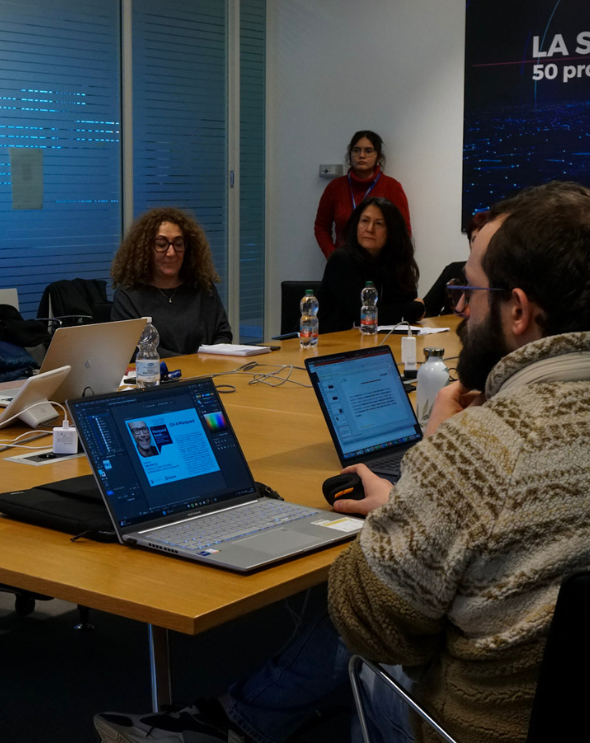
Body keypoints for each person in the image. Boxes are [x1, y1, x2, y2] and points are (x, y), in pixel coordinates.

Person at [93, 181, 590, 743]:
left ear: (518, 310)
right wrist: (412, 501)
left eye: (469, 290)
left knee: (351, 618)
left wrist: (432, 458)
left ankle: (238, 722)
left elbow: (369, 625)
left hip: (465, 726)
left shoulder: (482, 448)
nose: (457, 307)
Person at [111, 207, 232, 357]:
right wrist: (190, 364)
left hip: (206, 369)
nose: (171, 253)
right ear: (145, 249)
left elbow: (223, 334)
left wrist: (208, 362)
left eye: (179, 244)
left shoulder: (202, 287)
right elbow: (133, 349)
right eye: (161, 245)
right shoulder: (129, 295)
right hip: (155, 371)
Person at [318, 196, 424, 333]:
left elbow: (407, 301)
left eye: (379, 223)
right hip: (324, 341)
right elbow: (367, 317)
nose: (370, 229)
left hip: (372, 340)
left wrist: (411, 309)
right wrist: (416, 309)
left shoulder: (395, 261)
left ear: (392, 231)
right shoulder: (341, 260)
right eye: (365, 221)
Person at [315, 130, 411, 259]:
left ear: (378, 157)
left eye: (368, 151)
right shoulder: (335, 187)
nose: (361, 155)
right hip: (344, 262)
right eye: (356, 150)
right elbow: (321, 227)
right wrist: (334, 257)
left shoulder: (392, 187)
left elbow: (403, 231)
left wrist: (388, 262)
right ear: (350, 155)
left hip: (380, 263)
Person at [421, 209, 491, 316]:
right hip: (449, 326)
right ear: (469, 243)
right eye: (475, 239)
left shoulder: (505, 276)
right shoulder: (453, 270)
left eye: (486, 240)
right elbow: (427, 309)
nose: (480, 245)